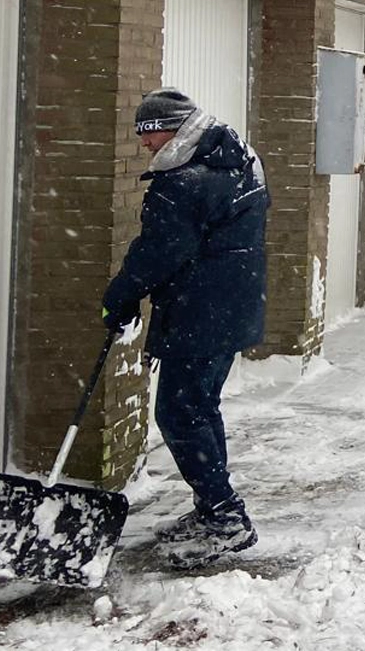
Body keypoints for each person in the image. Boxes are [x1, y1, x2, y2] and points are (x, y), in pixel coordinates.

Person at [101, 88, 268, 569]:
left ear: (174, 129)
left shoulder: (186, 180)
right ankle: (214, 509)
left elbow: (160, 250)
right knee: (199, 407)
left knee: (179, 413)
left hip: (200, 312)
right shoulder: (238, 159)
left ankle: (224, 517)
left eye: (149, 134)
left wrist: (120, 296)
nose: (145, 144)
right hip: (229, 306)